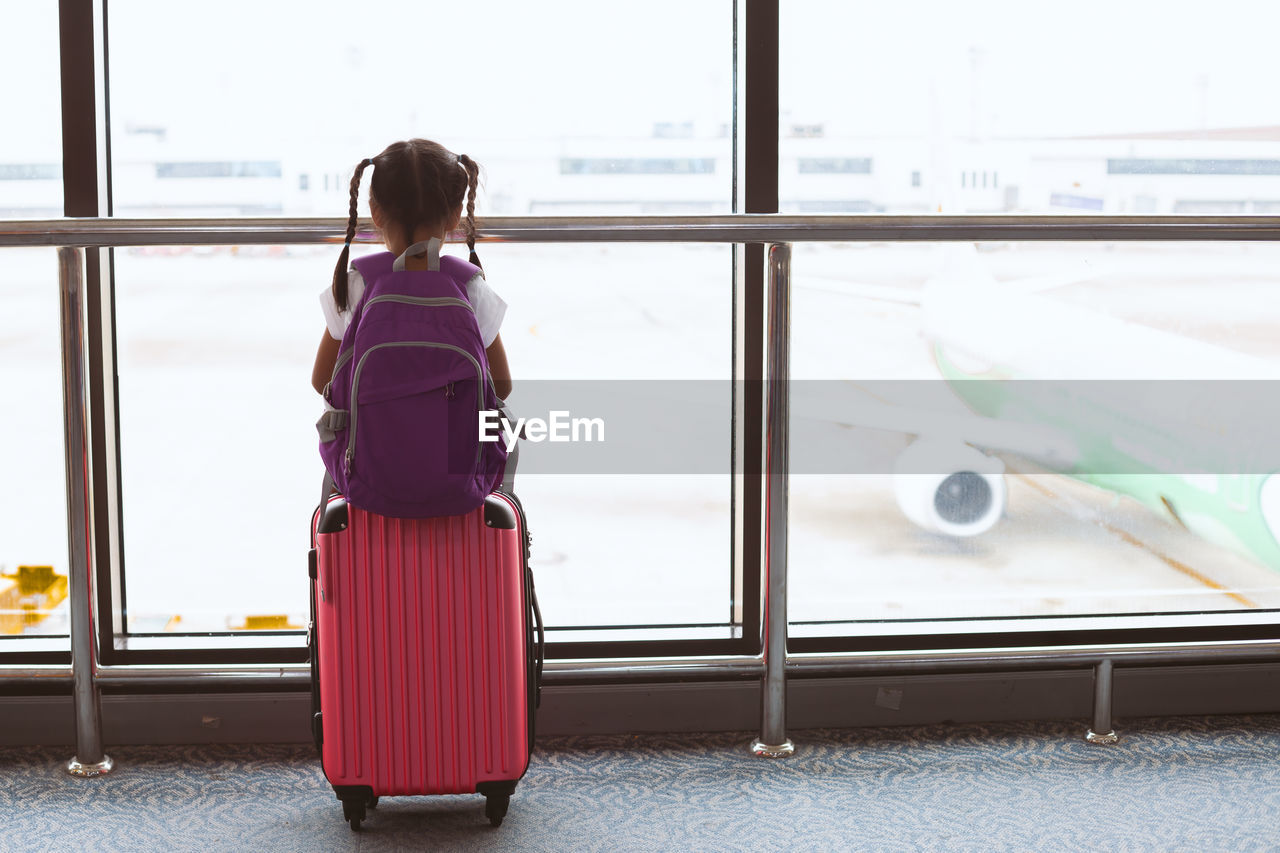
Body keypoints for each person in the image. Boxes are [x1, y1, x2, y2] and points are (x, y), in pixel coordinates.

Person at [311, 138, 511, 399]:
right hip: (452, 440)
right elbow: (502, 387)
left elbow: (322, 380)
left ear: (375, 211)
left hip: (375, 441)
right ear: (455, 215)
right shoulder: (468, 287)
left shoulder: (357, 285)